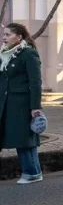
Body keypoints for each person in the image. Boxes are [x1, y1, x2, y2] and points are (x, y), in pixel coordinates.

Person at [0, 23, 44, 184]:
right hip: (5, 102)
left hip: (21, 103)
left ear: (19, 37)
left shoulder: (28, 54)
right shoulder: (4, 54)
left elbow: (35, 82)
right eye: (3, 35)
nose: (4, 38)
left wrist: (35, 106)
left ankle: (32, 172)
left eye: (7, 35)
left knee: (24, 138)